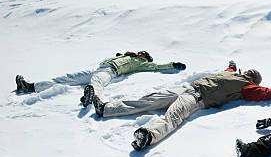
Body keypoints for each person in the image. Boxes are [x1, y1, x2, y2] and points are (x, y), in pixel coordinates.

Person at [91, 61, 271, 151]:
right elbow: (230, 68)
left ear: (253, 80)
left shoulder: (248, 88)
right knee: (147, 100)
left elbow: (267, 94)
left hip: (197, 98)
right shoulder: (232, 73)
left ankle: (148, 135)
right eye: (249, 71)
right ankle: (107, 109)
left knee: (173, 117)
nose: (248, 73)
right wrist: (233, 64)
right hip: (186, 89)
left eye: (252, 75)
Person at [15, 51, 186, 106]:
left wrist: (172, 65)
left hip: (111, 70)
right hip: (97, 68)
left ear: (145, 58)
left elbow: (156, 67)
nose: (141, 54)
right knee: (66, 78)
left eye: (144, 55)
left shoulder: (140, 63)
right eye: (141, 52)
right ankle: (30, 87)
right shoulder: (124, 54)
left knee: (97, 83)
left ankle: (92, 96)